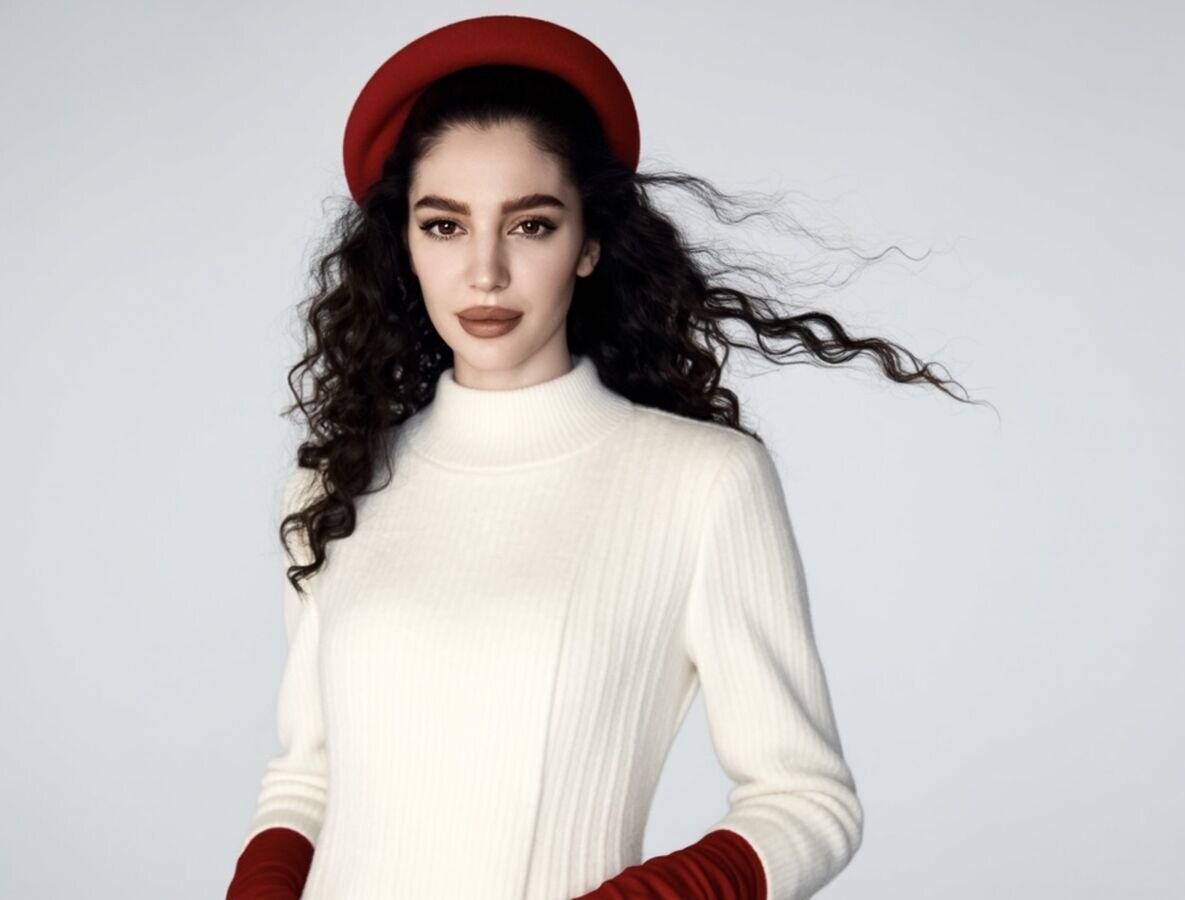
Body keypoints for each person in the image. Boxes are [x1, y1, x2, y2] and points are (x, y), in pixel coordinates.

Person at [226, 14, 978, 900]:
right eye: (445, 226)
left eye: (530, 225)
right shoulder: (332, 487)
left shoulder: (702, 483)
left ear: (587, 244)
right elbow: (306, 779)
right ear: (405, 247)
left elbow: (807, 802)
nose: (485, 272)